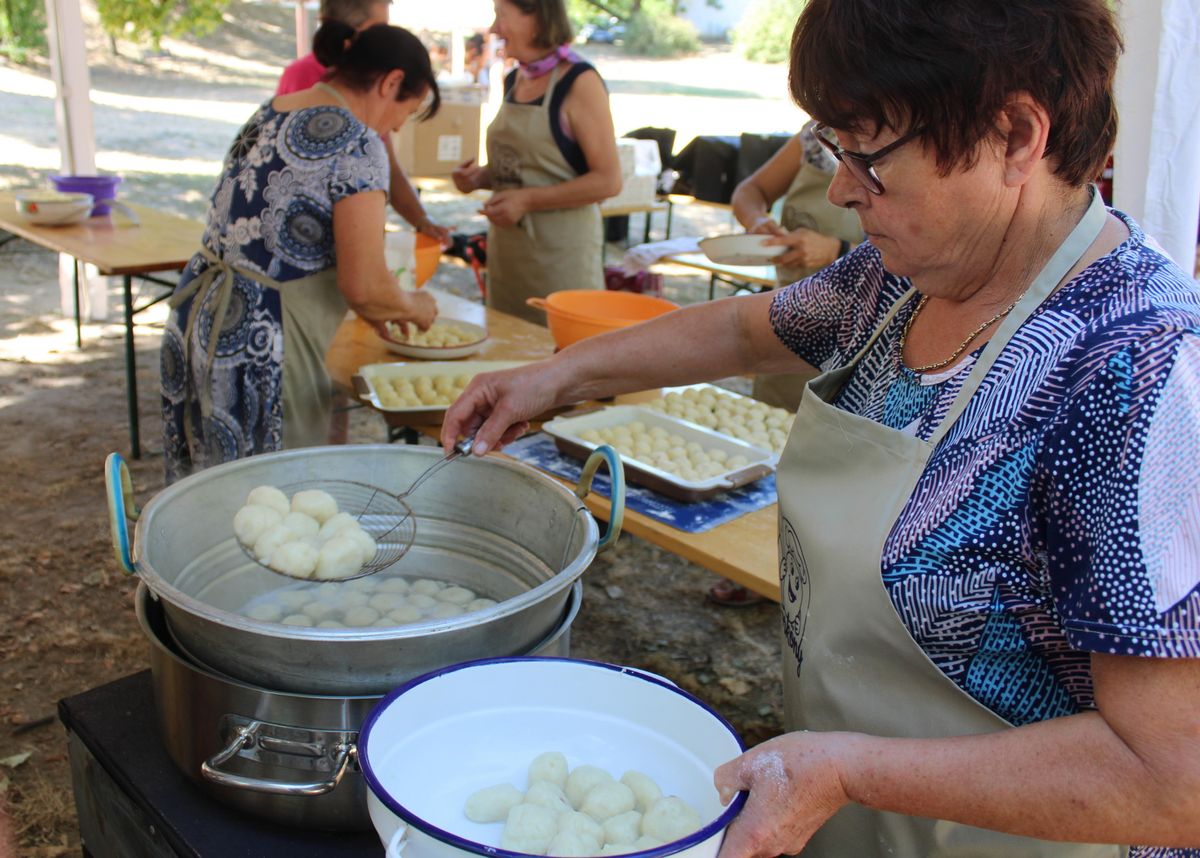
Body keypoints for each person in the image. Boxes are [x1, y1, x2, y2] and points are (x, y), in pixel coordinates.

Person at [441, 0, 1200, 854]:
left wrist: (846, 772)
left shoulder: (1135, 374)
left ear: (1016, 135)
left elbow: (1171, 778)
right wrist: (551, 378)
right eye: (835, 149)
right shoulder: (896, 280)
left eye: (869, 157)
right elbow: (737, 329)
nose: (841, 189)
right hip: (853, 817)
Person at [161, 22, 439, 483]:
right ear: (391, 83)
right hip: (261, 341)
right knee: (272, 501)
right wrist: (414, 304)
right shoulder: (358, 142)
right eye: (405, 112)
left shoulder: (269, 111)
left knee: (211, 493)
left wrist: (375, 305)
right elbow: (365, 286)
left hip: (199, 317)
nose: (396, 126)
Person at [451, 0, 621, 325]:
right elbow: (530, 164)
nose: (493, 29)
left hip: (560, 262)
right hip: (508, 260)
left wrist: (527, 200)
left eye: (501, 16)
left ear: (536, 17)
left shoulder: (580, 82)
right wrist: (480, 177)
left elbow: (608, 181)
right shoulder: (516, 79)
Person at [278, 0, 451, 246]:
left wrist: (422, 220)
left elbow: (387, 163)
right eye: (380, 29)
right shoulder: (357, 134)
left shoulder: (370, 103)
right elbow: (363, 283)